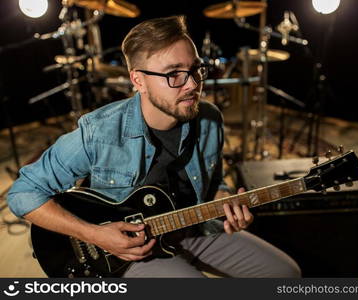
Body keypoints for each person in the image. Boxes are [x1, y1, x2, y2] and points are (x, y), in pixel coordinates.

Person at [7, 15, 300, 278]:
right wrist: (95, 235)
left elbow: (214, 182)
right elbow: (23, 193)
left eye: (196, 69)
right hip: (125, 251)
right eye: (174, 74)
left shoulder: (210, 119)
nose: (192, 85)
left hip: (193, 226)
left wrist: (225, 200)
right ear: (138, 80)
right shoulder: (99, 131)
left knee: (286, 273)